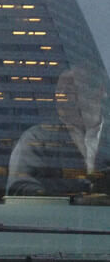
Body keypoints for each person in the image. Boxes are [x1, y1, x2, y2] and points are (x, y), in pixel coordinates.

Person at [7, 68, 110, 197]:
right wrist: (80, 193)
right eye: (59, 90)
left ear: (99, 91)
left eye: (71, 88)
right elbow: (19, 188)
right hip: (55, 216)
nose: (62, 94)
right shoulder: (36, 138)